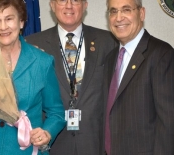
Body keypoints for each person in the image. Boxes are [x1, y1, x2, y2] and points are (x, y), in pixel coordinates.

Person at [0, 0, 66, 155]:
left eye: (9, 19)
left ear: (21, 22)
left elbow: (56, 112)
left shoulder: (42, 61)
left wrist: (47, 132)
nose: (3, 27)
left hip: (25, 150)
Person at [26, 0, 117, 154]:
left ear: (85, 4)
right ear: (52, 5)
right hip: (52, 143)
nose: (69, 5)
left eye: (75, 0)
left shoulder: (109, 42)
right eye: (62, 0)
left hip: (96, 143)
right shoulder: (32, 45)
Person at [101, 0, 174, 154]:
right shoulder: (110, 58)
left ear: (141, 13)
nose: (118, 18)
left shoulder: (162, 55)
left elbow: (171, 124)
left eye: (126, 10)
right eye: (113, 11)